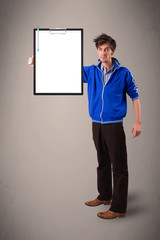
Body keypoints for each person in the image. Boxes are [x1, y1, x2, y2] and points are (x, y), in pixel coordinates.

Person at [28, 33, 141, 219]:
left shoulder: (124, 73)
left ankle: (119, 208)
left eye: (106, 49)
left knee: (119, 167)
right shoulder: (91, 71)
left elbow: (135, 96)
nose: (103, 53)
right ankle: (105, 196)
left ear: (112, 51)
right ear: (97, 51)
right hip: (96, 124)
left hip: (114, 126)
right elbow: (66, 69)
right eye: (100, 49)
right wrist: (39, 62)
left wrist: (138, 121)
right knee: (102, 163)